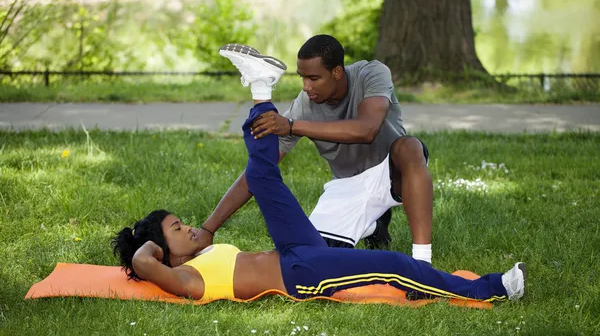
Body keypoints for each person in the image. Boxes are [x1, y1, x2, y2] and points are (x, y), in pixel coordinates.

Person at [112, 99, 526, 305]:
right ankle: (490, 290)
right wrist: (146, 246)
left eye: (180, 222)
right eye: (176, 230)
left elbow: (162, 252)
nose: (187, 227)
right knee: (396, 266)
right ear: (167, 252)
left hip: (296, 249)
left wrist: (183, 241)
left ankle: (260, 92)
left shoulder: (195, 261)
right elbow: (144, 262)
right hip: (301, 273)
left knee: (262, 176)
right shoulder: (184, 280)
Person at [196, 37, 435, 265]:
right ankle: (374, 226)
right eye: (302, 78)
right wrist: (209, 228)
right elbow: (260, 169)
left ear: (337, 72)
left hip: (390, 174)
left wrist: (291, 126)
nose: (306, 87)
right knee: (311, 258)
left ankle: (422, 261)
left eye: (313, 78)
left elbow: (367, 129)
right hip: (348, 185)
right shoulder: (304, 104)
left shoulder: (371, 73)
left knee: (410, 147)